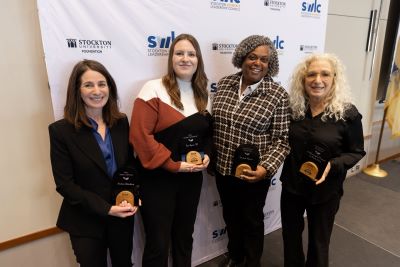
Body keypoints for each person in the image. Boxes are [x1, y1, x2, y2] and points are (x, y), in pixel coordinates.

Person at [130, 33, 212, 267]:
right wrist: (173, 164)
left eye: (191, 54)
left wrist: (206, 155)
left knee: (184, 237)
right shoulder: (153, 89)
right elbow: (139, 136)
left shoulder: (204, 94)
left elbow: (207, 135)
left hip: (191, 180)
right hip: (157, 179)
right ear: (171, 58)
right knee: (158, 242)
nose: (185, 58)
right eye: (179, 53)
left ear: (198, 59)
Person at [280, 53, 366, 267]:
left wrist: (334, 164)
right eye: (312, 74)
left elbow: (356, 151)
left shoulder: (348, 114)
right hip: (292, 187)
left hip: (325, 191)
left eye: (325, 74)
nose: (317, 80)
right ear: (303, 79)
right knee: (290, 238)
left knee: (319, 243)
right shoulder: (294, 110)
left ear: (334, 79)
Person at [48, 59, 137, 267]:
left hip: (121, 214)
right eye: (88, 85)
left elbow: (129, 165)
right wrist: (107, 208)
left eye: (102, 84)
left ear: (110, 87)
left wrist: (133, 192)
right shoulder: (60, 131)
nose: (97, 91)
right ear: (77, 90)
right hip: (85, 221)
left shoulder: (121, 122)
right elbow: (65, 184)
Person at [212, 35, 290, 267]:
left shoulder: (277, 95)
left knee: (252, 220)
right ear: (242, 58)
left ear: (270, 64)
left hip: (254, 174)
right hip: (224, 168)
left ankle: (252, 261)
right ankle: (235, 255)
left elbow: (282, 140)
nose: (257, 63)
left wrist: (264, 169)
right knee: (231, 215)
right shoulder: (225, 84)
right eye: (252, 57)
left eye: (264, 60)